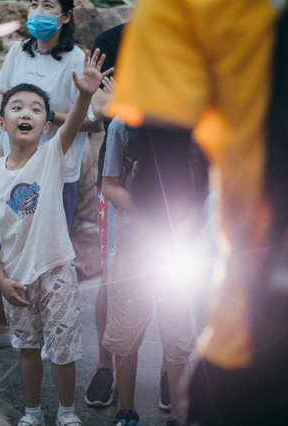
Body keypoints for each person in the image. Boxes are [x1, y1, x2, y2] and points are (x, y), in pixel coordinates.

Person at [106, 0, 278, 424]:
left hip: (251, 310)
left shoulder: (178, 9)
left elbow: (159, 173)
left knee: (180, 338)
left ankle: (174, 402)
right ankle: (131, 406)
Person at [0, 49, 110, 426]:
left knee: (64, 351)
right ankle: (32, 413)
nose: (26, 113)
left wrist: (84, 95)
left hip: (56, 271)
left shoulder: (52, 156)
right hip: (15, 278)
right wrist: (0, 278)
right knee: (28, 348)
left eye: (36, 110)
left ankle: (66, 411)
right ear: (1, 122)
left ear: (46, 125)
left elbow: (75, 124)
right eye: (17, 107)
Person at [0, 0, 99, 356]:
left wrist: (44, 114)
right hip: (12, 162)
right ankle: (4, 324)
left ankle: (51, 327)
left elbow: (92, 121)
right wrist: (9, 116)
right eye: (34, 3)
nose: (38, 10)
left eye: (48, 4)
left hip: (55, 169)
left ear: (65, 17)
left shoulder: (76, 59)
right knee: (7, 242)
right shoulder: (19, 51)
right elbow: (0, 94)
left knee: (49, 249)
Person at [99, 116, 197, 426]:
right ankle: (126, 410)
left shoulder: (194, 120)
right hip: (131, 251)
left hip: (178, 249)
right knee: (126, 336)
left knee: (178, 339)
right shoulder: (122, 126)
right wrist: (148, 208)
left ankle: (178, 415)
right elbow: (109, 185)